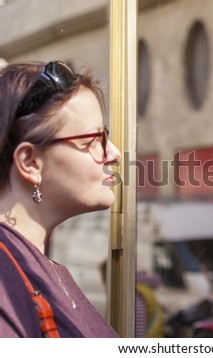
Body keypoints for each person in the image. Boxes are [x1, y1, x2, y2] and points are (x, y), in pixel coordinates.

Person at [0, 60, 121, 337]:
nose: (113, 153)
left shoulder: (28, 260)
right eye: (94, 140)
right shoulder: (6, 277)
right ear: (30, 162)